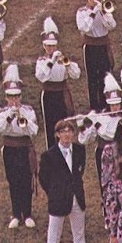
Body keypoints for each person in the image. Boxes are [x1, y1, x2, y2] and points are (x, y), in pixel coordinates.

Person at [40, 119, 93, 243]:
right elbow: (43, 178)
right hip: (58, 199)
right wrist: (55, 192)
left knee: (79, 234)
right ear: (57, 135)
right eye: (63, 131)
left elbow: (79, 171)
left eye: (70, 131)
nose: (67, 134)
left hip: (77, 197)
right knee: (54, 237)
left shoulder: (79, 150)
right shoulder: (49, 155)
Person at [0, 64, 39, 229]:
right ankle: (15, 213)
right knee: (13, 181)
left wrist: (24, 122)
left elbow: (34, 131)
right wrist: (8, 118)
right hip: (9, 149)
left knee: (26, 180)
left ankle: (27, 213)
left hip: (24, 149)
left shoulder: (28, 110)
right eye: (11, 97)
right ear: (6, 98)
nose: (14, 100)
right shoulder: (1, 112)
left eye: (17, 97)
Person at [34, 17, 81, 150]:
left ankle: (66, 149)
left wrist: (69, 64)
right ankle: (52, 152)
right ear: (44, 46)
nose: (51, 48)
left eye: (53, 46)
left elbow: (76, 75)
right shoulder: (42, 60)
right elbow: (41, 76)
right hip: (49, 95)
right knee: (51, 127)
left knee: (65, 125)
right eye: (48, 46)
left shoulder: (62, 58)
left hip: (62, 94)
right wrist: (51, 61)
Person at [76, 0, 117, 111]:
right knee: (92, 78)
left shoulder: (103, 9)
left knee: (106, 75)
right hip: (90, 47)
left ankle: (107, 104)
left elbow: (112, 26)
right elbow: (84, 28)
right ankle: (95, 106)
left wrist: (105, 13)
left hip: (103, 46)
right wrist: (94, 13)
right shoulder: (81, 12)